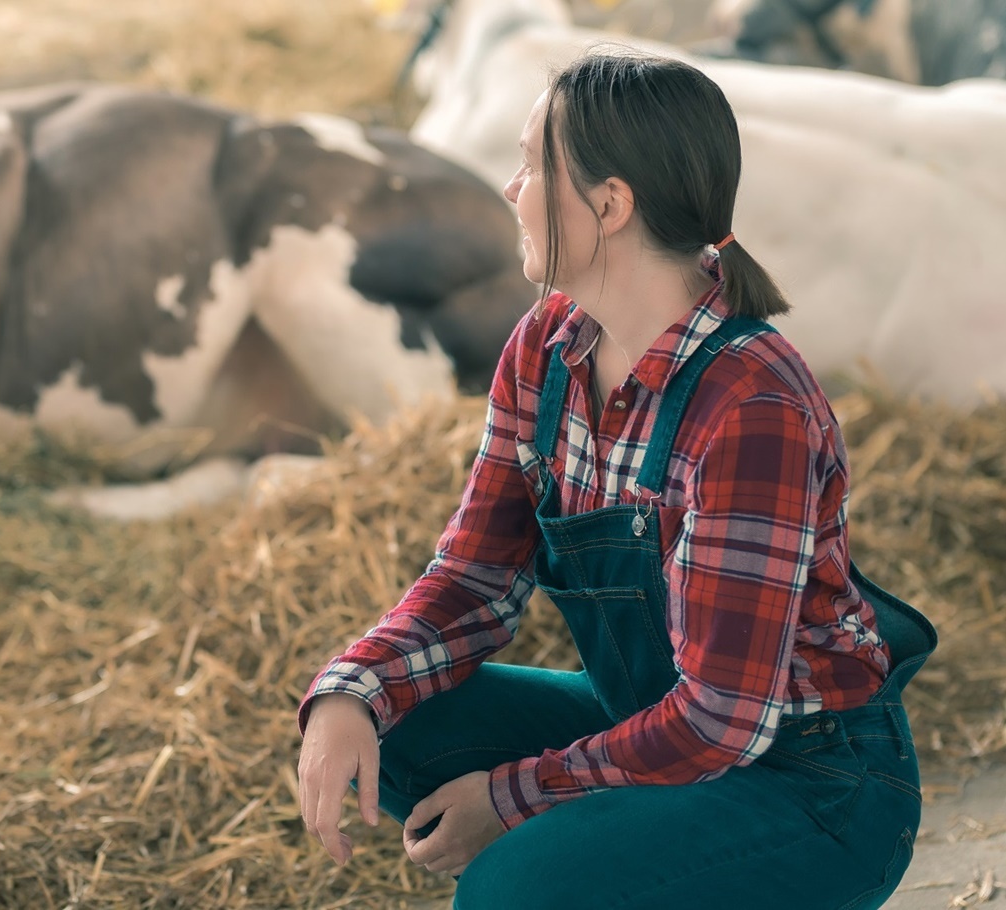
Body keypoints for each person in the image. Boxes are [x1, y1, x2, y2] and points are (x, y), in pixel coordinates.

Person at [295, 50, 938, 909]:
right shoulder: (546, 346)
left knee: (513, 888)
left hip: (809, 783)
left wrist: (511, 797)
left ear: (608, 204)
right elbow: (474, 578)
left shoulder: (749, 406)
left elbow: (721, 720)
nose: (509, 189)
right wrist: (350, 691)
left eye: (531, 165)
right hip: (652, 726)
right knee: (396, 722)